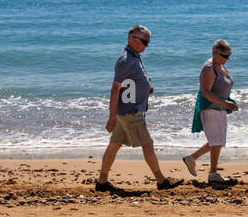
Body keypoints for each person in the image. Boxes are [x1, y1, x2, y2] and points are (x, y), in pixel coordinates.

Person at [96, 25, 182, 192]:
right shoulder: (125, 60)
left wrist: (145, 86)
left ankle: (102, 182)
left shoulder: (133, 57)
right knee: (148, 144)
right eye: (144, 42)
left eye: (148, 42)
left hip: (128, 112)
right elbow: (115, 89)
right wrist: (111, 117)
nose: (146, 46)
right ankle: (161, 181)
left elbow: (129, 82)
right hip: (131, 112)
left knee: (114, 145)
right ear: (132, 40)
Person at [182, 39, 238, 185]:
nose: (228, 59)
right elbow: (205, 92)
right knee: (216, 141)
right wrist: (225, 102)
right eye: (225, 56)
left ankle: (192, 159)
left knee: (217, 141)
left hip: (220, 109)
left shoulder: (220, 64)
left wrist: (227, 103)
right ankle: (212, 173)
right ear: (215, 53)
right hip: (210, 109)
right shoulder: (209, 68)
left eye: (229, 55)